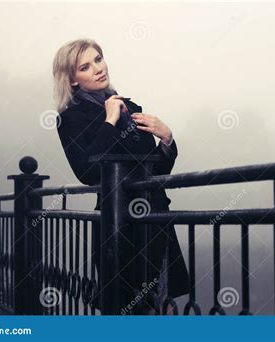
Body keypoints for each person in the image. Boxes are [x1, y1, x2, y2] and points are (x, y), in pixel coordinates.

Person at [52, 38, 189, 314]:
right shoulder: (71, 117)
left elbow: (155, 171)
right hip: (119, 227)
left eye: (99, 59)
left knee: (160, 307)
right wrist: (109, 121)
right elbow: (88, 172)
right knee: (126, 310)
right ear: (73, 80)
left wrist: (167, 138)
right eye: (85, 67)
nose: (98, 69)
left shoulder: (130, 106)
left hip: (155, 221)